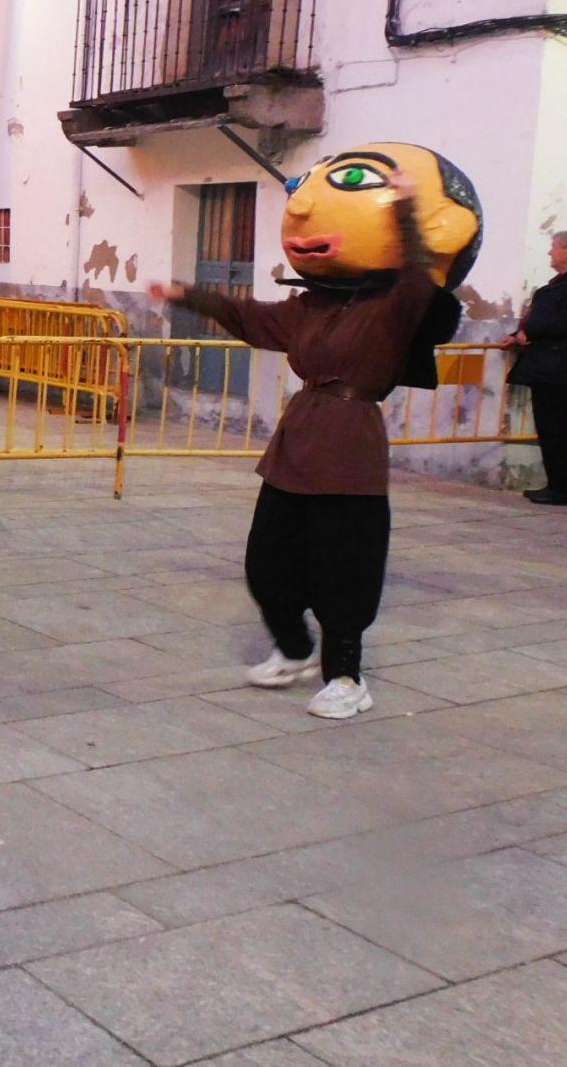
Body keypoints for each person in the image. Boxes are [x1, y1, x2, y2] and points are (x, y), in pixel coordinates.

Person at [149, 142, 481, 720]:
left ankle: (347, 678)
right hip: (296, 443)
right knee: (265, 566)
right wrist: (187, 293)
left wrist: (404, 206)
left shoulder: (398, 304)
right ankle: (296, 649)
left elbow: (422, 269)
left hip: (350, 445)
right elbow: (248, 316)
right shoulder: (308, 308)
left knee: (344, 571)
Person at [505, 229, 567, 505]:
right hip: (552, 365)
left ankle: (562, 487)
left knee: (556, 427)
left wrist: (532, 332)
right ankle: (561, 483)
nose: (550, 252)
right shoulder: (560, 284)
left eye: (555, 247)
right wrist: (518, 334)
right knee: (554, 426)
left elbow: (565, 320)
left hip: (560, 367)